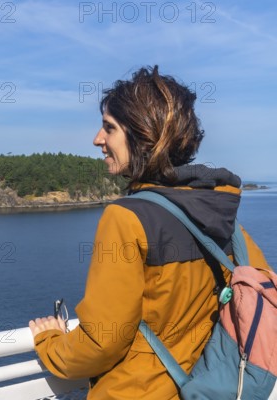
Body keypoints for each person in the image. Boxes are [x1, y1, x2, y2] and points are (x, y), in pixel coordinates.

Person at [29, 66, 272, 399]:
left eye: (109, 128)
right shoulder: (222, 215)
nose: (98, 140)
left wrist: (50, 341)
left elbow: (103, 341)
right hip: (207, 388)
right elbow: (263, 290)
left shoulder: (127, 218)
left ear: (143, 136)